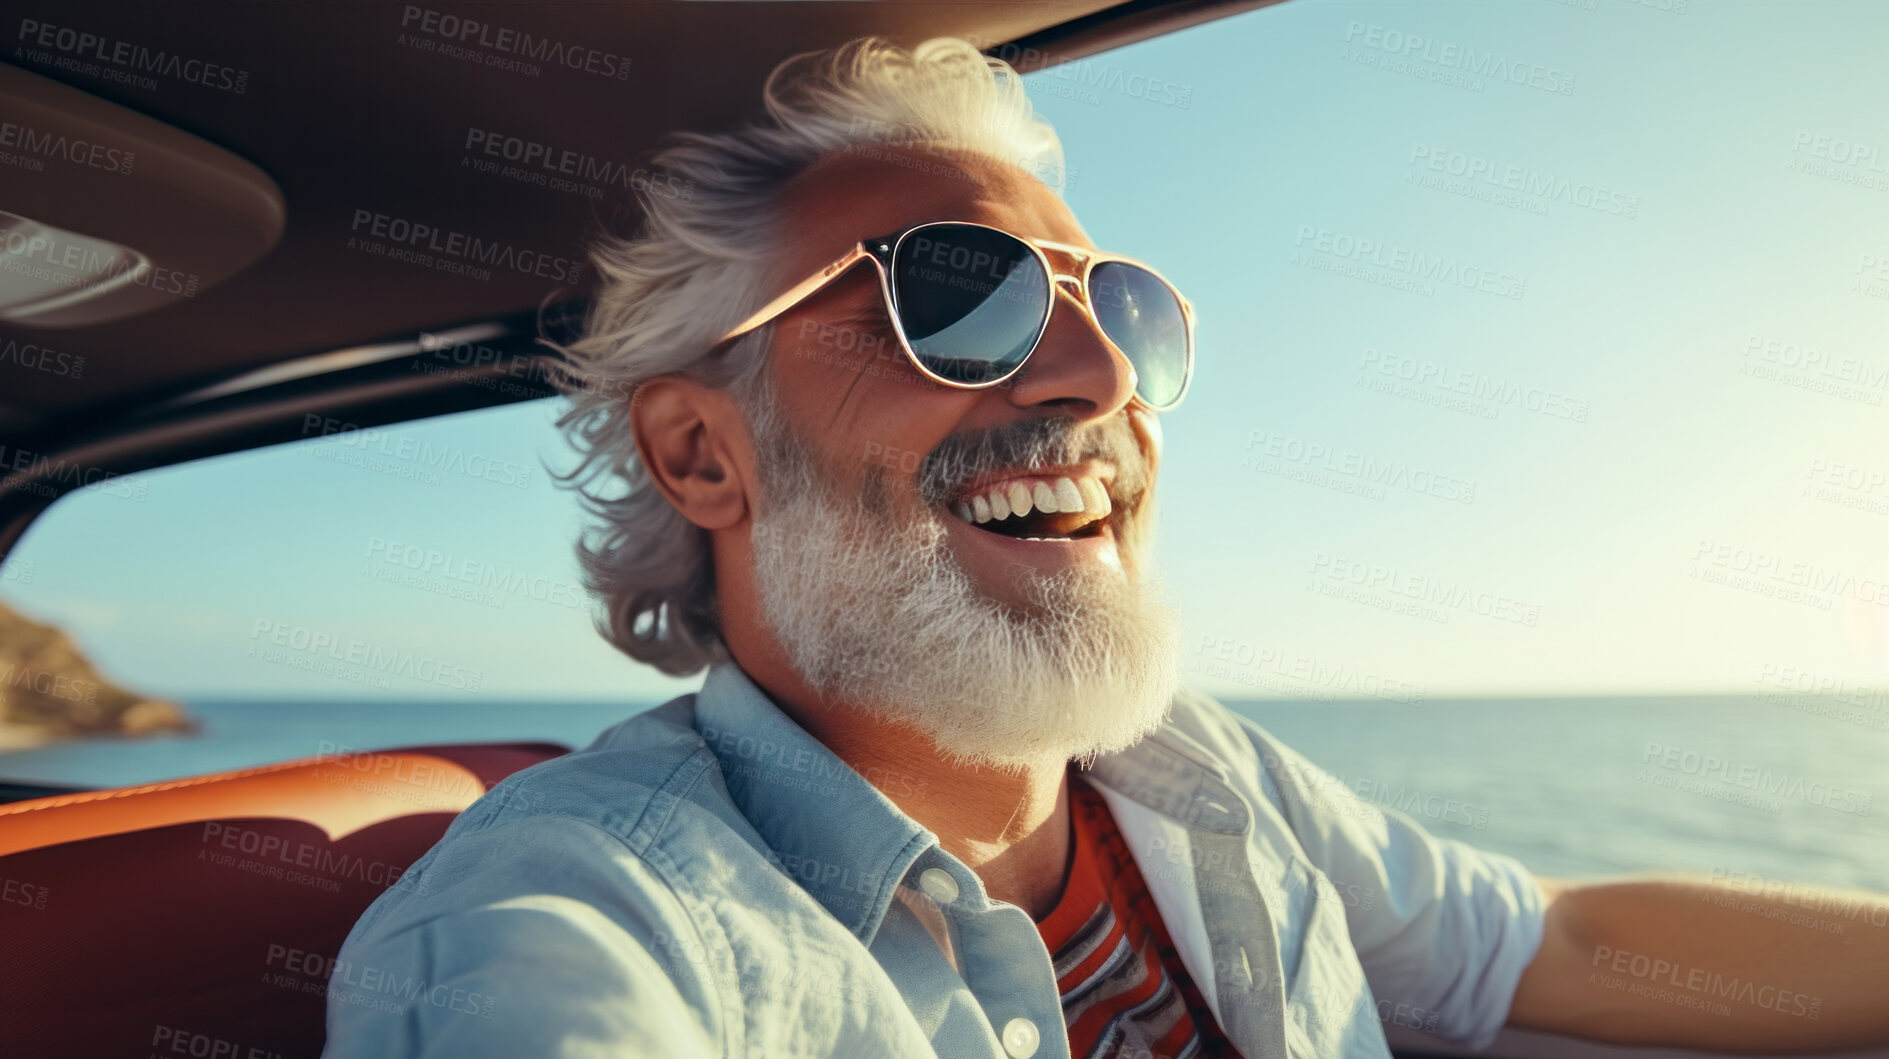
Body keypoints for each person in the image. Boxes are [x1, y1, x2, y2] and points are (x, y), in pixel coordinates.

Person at [324, 36, 1889, 1059]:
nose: (1098, 380)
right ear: (702, 453)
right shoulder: (592, 916)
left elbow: (1546, 942)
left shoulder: (1189, 777)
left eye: (1117, 314)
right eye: (956, 295)